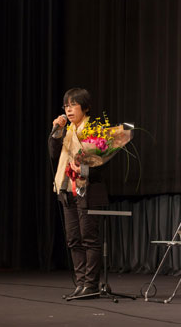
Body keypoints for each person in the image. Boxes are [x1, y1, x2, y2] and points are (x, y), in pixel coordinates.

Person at [49, 88, 109, 299]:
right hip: (66, 189)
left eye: (73, 105)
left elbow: (101, 164)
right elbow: (53, 154)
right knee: (73, 239)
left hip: (87, 190)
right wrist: (57, 130)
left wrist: (82, 169)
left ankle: (91, 284)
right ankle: (81, 282)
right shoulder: (66, 131)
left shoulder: (95, 129)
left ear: (85, 107)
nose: (69, 109)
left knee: (89, 238)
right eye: (66, 105)